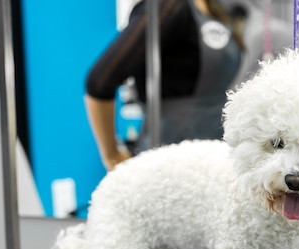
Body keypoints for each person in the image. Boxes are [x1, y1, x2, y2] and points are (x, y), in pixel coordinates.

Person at [85, 0, 243, 171]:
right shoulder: (167, 7)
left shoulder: (216, 10)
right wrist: (112, 155)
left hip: (216, 148)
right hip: (171, 156)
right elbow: (99, 82)